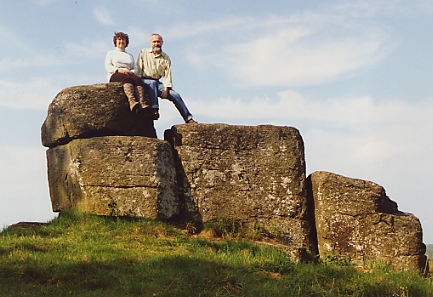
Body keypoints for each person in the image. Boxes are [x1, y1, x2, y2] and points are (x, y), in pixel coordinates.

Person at [137, 33, 196, 123]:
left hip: (157, 82)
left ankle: (188, 118)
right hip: (144, 81)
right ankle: (155, 109)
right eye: (154, 41)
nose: (156, 44)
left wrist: (167, 89)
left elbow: (167, 75)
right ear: (150, 43)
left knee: (175, 95)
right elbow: (138, 69)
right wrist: (137, 83)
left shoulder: (165, 57)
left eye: (158, 41)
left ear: (162, 43)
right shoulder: (143, 52)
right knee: (151, 83)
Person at [105, 32, 149, 113]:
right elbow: (108, 66)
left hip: (129, 73)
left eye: (123, 40)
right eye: (119, 39)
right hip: (115, 74)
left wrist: (130, 72)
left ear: (126, 42)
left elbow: (135, 68)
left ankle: (142, 102)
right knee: (126, 79)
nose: (121, 41)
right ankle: (132, 101)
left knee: (138, 80)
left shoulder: (129, 55)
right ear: (115, 42)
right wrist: (118, 70)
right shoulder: (111, 53)